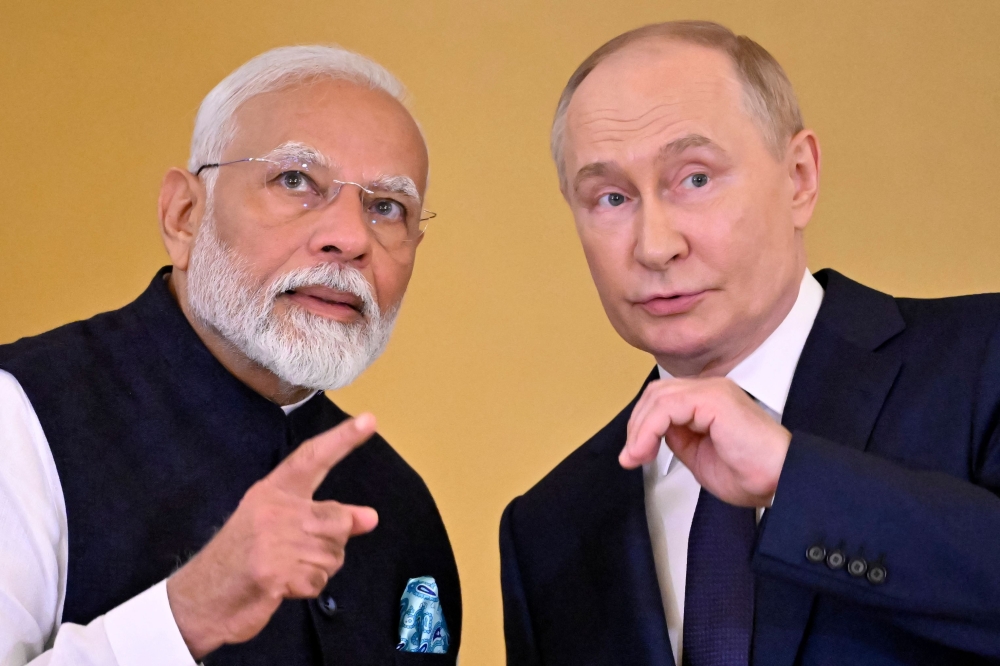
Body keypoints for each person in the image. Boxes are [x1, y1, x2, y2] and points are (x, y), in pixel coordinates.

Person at [499, 20, 1000, 666]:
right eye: (612, 197)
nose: (655, 245)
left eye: (696, 179)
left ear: (799, 178)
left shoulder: (981, 361)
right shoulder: (549, 528)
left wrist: (795, 479)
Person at [0, 45, 460, 665]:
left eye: (387, 208)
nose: (351, 238)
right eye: (295, 180)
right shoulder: (21, 417)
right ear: (184, 215)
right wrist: (185, 615)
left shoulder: (400, 508)